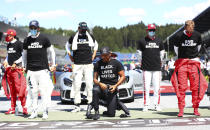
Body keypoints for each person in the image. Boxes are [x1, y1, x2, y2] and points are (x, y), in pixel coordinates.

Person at [171, 20, 208, 117]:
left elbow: (199, 47)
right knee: (181, 88)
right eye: (189, 30)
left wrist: (193, 56)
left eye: (192, 29)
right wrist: (183, 57)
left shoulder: (197, 35)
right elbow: (176, 49)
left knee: (196, 87)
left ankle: (195, 108)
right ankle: (181, 109)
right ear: (185, 27)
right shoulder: (178, 36)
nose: (190, 32)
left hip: (193, 63)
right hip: (182, 63)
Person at [23, 20, 56, 119]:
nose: (33, 29)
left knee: (44, 92)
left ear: (38, 28)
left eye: (35, 28)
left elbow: (51, 52)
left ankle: (45, 111)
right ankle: (34, 111)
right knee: (33, 92)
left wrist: (53, 64)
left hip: (43, 70)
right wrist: (24, 66)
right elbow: (24, 54)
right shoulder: (26, 40)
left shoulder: (44, 38)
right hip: (31, 71)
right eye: (31, 28)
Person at [65, 22, 98, 112]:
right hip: (77, 64)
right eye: (82, 29)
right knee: (76, 84)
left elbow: (96, 45)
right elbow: (67, 46)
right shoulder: (73, 37)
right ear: (78, 28)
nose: (83, 31)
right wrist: (69, 55)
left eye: (85, 29)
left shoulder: (90, 36)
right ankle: (77, 105)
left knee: (89, 84)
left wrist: (94, 55)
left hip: (88, 64)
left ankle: (90, 105)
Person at [91, 46, 128, 120]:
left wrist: (115, 86)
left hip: (112, 88)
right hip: (102, 87)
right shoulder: (98, 64)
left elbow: (123, 76)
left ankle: (107, 107)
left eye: (105, 55)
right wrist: (100, 84)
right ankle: (96, 112)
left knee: (111, 115)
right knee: (95, 89)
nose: (104, 57)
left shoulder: (117, 63)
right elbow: (94, 79)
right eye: (102, 56)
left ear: (110, 54)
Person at [136, 24, 165, 112]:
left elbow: (162, 53)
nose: (151, 31)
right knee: (146, 88)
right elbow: (139, 54)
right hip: (146, 68)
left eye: (153, 30)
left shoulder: (159, 41)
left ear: (155, 30)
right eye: (150, 30)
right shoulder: (142, 41)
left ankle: (157, 104)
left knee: (157, 88)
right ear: (147, 30)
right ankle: (146, 105)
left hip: (157, 68)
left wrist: (160, 61)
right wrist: (141, 62)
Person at [1, 29, 28, 115]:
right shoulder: (8, 45)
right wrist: (6, 61)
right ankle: (13, 107)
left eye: (8, 35)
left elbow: (24, 55)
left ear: (12, 35)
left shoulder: (19, 44)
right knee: (12, 90)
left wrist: (16, 62)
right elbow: (9, 55)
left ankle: (24, 107)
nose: (7, 37)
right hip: (9, 71)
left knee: (19, 89)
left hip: (17, 70)